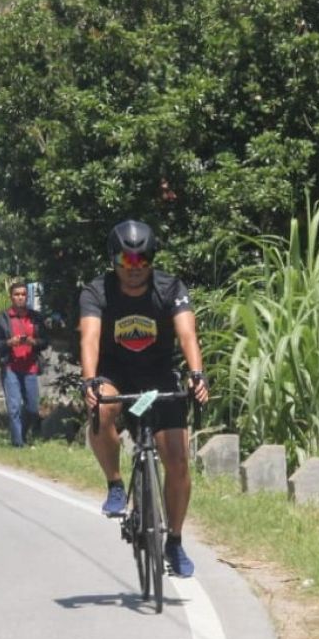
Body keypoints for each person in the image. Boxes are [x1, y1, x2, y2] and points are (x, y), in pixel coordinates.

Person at [78, 219, 209, 577]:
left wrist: (197, 374)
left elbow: (187, 333)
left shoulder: (171, 287)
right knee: (101, 407)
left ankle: (175, 541)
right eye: (126, 260)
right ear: (114, 260)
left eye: (142, 260)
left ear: (152, 259)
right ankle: (116, 483)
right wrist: (89, 381)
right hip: (114, 373)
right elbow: (89, 339)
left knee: (178, 460)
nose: (134, 268)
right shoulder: (97, 291)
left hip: (157, 375)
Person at [0, 281, 48, 447]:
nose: (20, 297)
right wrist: (9, 343)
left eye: (23, 294)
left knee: (32, 408)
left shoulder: (36, 318)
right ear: (11, 297)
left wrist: (32, 341)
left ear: (27, 296)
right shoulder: (2, 319)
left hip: (30, 367)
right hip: (10, 368)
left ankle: (21, 435)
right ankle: (18, 444)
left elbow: (45, 342)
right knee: (14, 407)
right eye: (17, 294)